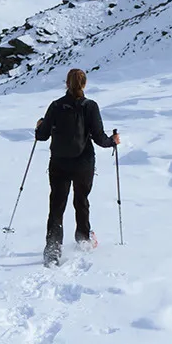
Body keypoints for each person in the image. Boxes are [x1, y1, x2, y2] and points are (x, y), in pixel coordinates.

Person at [34, 68, 120, 266]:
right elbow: (99, 138)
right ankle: (83, 238)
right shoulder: (90, 106)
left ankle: (53, 249)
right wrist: (113, 141)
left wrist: (39, 126)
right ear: (84, 84)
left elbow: (42, 136)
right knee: (81, 200)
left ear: (66, 83)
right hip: (83, 162)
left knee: (57, 205)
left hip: (59, 163)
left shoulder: (55, 106)